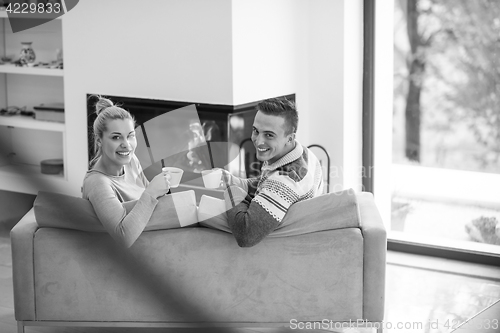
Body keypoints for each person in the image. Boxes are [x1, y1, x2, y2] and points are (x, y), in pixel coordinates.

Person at [219, 97, 324, 247]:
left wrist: (231, 190)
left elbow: (246, 235)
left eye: (269, 135)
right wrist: (234, 181)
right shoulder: (306, 154)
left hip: (277, 249)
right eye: (256, 131)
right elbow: (267, 184)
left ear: (290, 138)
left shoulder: (285, 181)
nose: (258, 141)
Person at [82, 96, 171, 248]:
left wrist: (160, 189)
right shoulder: (97, 183)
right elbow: (123, 237)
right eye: (116, 137)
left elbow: (149, 202)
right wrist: (151, 192)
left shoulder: (130, 161)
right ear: (99, 141)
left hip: (154, 234)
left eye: (130, 136)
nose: (127, 145)